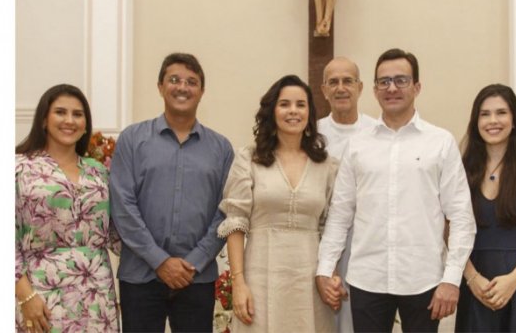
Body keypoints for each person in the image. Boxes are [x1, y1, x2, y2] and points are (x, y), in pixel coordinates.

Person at [317, 48, 476, 332]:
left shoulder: (440, 142)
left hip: (423, 279)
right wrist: (325, 268)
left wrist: (451, 279)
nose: (391, 88)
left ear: (417, 87)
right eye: (384, 81)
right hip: (368, 278)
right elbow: (341, 214)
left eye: (401, 80)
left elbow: (461, 217)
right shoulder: (359, 144)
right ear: (375, 90)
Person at [109, 53, 235, 332]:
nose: (182, 87)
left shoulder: (221, 148)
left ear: (202, 91)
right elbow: (123, 206)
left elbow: (225, 212)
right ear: (160, 86)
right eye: (174, 80)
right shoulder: (132, 139)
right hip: (140, 276)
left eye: (192, 82)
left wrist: (194, 262)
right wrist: (160, 260)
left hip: (196, 278)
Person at [218, 75, 337, 332]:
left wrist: (331, 275)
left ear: (310, 113)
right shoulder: (249, 159)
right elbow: (236, 222)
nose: (293, 111)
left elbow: (332, 227)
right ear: (272, 111)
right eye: (284, 104)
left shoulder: (327, 165)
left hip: (310, 281)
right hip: (260, 277)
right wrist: (239, 283)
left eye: (300, 105)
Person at [15, 84, 120, 332]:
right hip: (41, 294)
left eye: (78, 114)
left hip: (97, 296)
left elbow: (118, 232)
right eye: (60, 112)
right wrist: (25, 296)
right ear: (43, 119)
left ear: (86, 124)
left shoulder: (99, 172)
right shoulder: (19, 168)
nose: (69, 121)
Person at [454, 84, 516, 332]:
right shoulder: (461, 168)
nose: (493, 121)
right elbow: (448, 229)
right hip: (476, 281)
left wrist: (514, 279)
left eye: (501, 113)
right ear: (475, 121)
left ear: (514, 120)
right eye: (485, 114)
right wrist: (472, 278)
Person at [316, 56, 377, 332]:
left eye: (348, 81)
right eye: (333, 82)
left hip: (364, 240)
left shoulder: (378, 132)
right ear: (324, 89)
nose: (341, 88)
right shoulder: (312, 133)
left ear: (360, 87)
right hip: (319, 235)